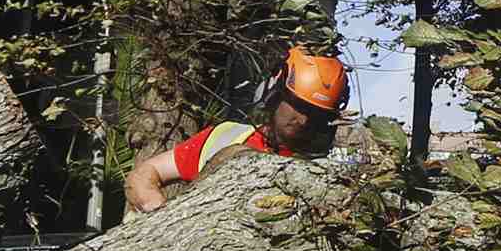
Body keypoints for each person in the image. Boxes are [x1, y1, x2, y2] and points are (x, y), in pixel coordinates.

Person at [122, 46, 349, 213]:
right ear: (273, 92)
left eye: (316, 113)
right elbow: (145, 173)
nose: (303, 119)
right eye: (298, 105)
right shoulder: (224, 136)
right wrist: (159, 215)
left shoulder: (325, 176)